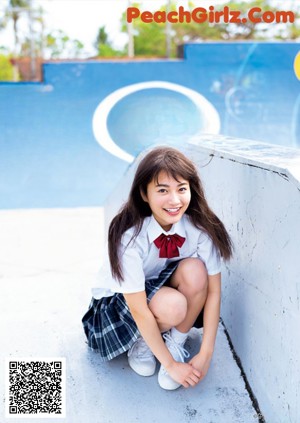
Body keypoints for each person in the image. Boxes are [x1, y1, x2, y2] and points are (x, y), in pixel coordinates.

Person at [82, 146, 233, 390]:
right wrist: (173, 367)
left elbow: (214, 291)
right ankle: (144, 342)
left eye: (181, 189)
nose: (175, 201)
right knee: (174, 306)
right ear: (144, 193)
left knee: (196, 270)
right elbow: (139, 309)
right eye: (162, 190)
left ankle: (175, 341)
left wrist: (205, 354)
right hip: (116, 305)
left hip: (155, 286)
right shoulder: (130, 237)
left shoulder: (199, 228)